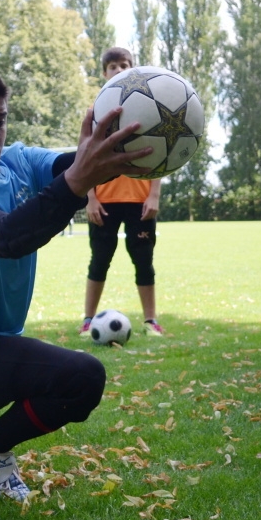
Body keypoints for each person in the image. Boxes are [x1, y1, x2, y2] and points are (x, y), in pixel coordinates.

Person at [0, 62, 151, 500]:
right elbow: (8, 238)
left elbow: (74, 165)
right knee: (83, 378)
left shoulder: (16, 161)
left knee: (8, 366)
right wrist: (78, 180)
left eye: (0, 120)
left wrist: (118, 144)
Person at [80, 47, 164, 336]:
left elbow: (160, 153)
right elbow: (84, 157)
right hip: (104, 201)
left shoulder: (148, 107)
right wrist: (90, 198)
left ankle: (151, 321)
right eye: (113, 66)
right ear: (104, 73)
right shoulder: (96, 110)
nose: (118, 70)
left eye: (124, 65)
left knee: (144, 262)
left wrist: (154, 194)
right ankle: (88, 320)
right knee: (99, 261)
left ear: (132, 69)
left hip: (140, 201)